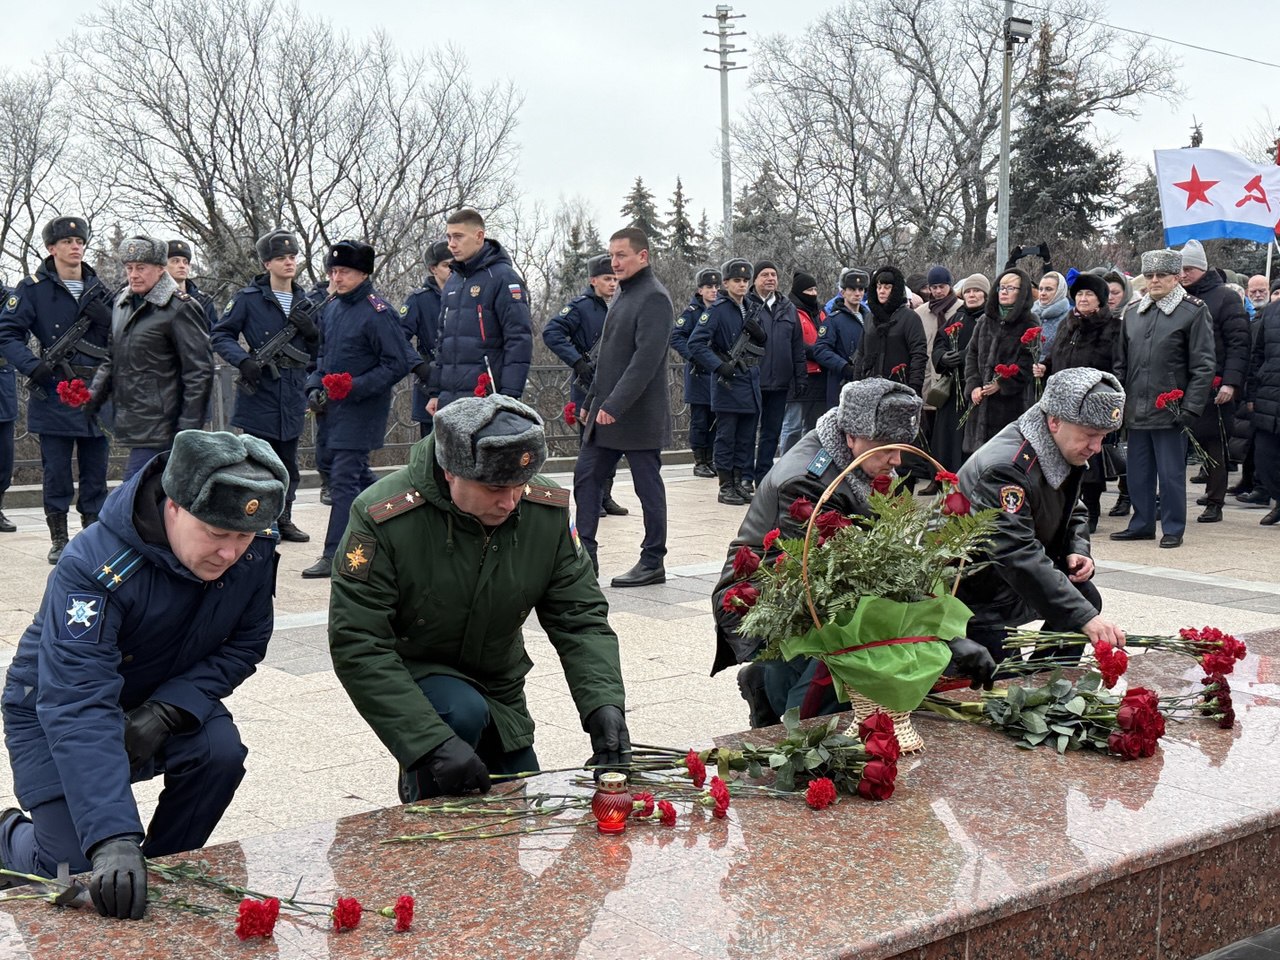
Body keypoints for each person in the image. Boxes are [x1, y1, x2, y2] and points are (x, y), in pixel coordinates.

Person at [0, 430, 288, 919]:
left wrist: (170, 708)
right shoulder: (93, 565)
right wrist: (112, 836)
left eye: (243, 537)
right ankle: (10, 837)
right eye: (217, 534)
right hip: (54, 708)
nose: (230, 553)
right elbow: (76, 699)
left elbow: (245, 643)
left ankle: (152, 869)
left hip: (159, 694)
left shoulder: (254, 549)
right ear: (173, 506)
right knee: (69, 867)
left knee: (218, 753)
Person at [327, 394, 630, 801]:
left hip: (498, 685)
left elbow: (580, 616)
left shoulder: (544, 509)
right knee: (458, 723)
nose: (509, 502)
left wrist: (603, 704)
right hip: (417, 678)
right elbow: (357, 642)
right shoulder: (383, 515)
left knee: (521, 801)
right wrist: (429, 743)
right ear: (450, 470)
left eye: (520, 485)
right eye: (493, 488)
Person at [710, 378, 995, 727]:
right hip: (759, 596)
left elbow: (873, 559)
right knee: (852, 657)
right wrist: (945, 638)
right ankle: (801, 734)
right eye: (886, 447)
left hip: (812, 587)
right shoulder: (806, 483)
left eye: (903, 446)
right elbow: (839, 585)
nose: (897, 459)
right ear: (850, 436)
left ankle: (769, 684)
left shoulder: (855, 459)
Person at [958, 368, 1127, 663]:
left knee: (1084, 597)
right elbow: (1014, 553)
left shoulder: (1056, 446)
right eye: (1090, 435)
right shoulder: (1006, 469)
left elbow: (1073, 507)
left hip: (1005, 584)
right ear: (1055, 421)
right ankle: (1037, 682)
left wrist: (1078, 549)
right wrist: (1083, 618)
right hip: (975, 598)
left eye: (1103, 437)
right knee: (1003, 687)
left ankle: (1049, 678)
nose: (1096, 448)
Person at [0, 216, 113, 561]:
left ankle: (93, 536)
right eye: (66, 242)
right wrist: (33, 366)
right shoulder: (32, 289)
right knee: (57, 472)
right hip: (54, 391)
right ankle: (60, 538)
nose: (75, 246)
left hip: (97, 391)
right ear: (52, 248)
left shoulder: (102, 291)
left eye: (79, 241)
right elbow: (7, 333)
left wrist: (110, 319)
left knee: (96, 473)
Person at [301, 240, 411, 578]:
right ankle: (402, 525)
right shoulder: (331, 308)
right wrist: (314, 386)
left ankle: (336, 553)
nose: (337, 277)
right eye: (333, 271)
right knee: (355, 476)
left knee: (344, 479)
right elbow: (322, 356)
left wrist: (355, 386)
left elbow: (399, 362)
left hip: (363, 409)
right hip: (332, 409)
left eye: (344, 271)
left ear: (363, 273)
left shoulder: (378, 312)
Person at [573, 228, 673, 587]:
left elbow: (646, 360)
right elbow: (608, 358)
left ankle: (652, 560)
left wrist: (615, 404)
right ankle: (584, 557)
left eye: (622, 255)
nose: (614, 263)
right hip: (605, 414)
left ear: (642, 256)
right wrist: (590, 402)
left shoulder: (654, 298)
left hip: (637, 415)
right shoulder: (622, 294)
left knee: (648, 488)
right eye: (612, 255)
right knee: (585, 478)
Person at [211, 229, 323, 543]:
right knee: (258, 462)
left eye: (292, 257)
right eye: (280, 258)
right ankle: (258, 520)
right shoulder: (248, 299)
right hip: (260, 389)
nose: (289, 263)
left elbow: (322, 349)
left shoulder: (307, 302)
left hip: (292, 390)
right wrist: (243, 360)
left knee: (287, 462)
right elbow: (221, 335)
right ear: (266, 264)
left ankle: (283, 519)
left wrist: (312, 334)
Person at [1111, 249, 1215, 549]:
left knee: (1170, 474)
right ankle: (1142, 523)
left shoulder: (1193, 311)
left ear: (1175, 277)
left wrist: (1191, 406)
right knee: (1138, 472)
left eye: (1162, 275)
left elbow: (1204, 364)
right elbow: (1121, 363)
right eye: (1151, 275)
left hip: (1171, 409)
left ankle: (1172, 527)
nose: (1155, 281)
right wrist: (1120, 401)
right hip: (1136, 407)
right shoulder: (1132, 313)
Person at [88, 235, 214, 481]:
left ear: (160, 269)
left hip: (165, 424)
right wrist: (93, 396)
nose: (133, 274)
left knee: (132, 497)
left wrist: (187, 429)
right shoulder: (122, 303)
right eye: (129, 267)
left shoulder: (179, 307)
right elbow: (112, 358)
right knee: (151, 501)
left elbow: (199, 371)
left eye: (141, 268)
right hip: (134, 419)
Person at [542, 253, 627, 517]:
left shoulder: (621, 305)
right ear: (593, 280)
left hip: (614, 385)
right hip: (588, 385)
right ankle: (590, 499)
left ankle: (606, 496)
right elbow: (551, 332)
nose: (612, 284)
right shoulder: (580, 307)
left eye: (615, 278)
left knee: (613, 444)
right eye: (606, 279)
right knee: (590, 446)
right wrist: (577, 361)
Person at [1036, 273, 1121, 531]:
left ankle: (1091, 511)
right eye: (1080, 294)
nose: (1083, 299)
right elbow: (1057, 354)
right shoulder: (1068, 323)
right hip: (1064, 402)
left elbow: (1118, 365)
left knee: (1089, 458)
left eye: (1089, 295)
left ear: (1100, 300)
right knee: (1062, 455)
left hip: (1093, 401)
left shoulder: (1112, 327)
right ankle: (1066, 507)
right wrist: (1045, 366)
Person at [427, 208, 532, 411]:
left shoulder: (503, 277)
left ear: (479, 236)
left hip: (489, 395)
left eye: (458, 236)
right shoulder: (452, 282)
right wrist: (436, 391)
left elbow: (518, 338)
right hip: (450, 399)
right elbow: (443, 340)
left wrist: (510, 394)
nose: (451, 244)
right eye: (449, 237)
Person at [1177, 240, 1250, 524]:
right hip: (1182, 383)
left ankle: (1215, 500)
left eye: (1189, 269)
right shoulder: (1177, 297)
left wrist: (1230, 382)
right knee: (1178, 445)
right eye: (1180, 269)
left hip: (1214, 384)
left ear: (1202, 269)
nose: (1183, 274)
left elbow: (1239, 344)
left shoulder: (1225, 298)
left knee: (1214, 444)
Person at [688, 258, 766, 506]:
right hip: (728, 383)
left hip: (750, 381)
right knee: (726, 437)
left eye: (745, 281)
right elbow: (695, 344)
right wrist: (718, 365)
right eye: (736, 281)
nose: (742, 285)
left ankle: (738, 481)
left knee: (745, 438)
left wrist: (761, 336)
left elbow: (760, 345)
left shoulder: (752, 307)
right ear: (726, 283)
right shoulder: (717, 310)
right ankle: (725, 486)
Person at [963, 267, 1036, 455]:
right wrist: (974, 385)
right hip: (980, 402)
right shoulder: (985, 321)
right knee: (978, 459)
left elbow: (1028, 363)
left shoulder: (1029, 322)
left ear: (1022, 293)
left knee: (1004, 456)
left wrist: (1002, 384)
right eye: (1001, 287)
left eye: (1011, 288)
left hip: (1010, 405)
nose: (1004, 292)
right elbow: (971, 354)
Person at [747, 260, 805, 489]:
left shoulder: (787, 307)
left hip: (780, 382)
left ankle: (763, 475)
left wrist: (800, 377)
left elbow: (797, 346)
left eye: (774, 274)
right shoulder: (747, 305)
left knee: (772, 432)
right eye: (765, 275)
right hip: (753, 380)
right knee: (748, 432)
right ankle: (744, 475)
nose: (770, 278)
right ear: (755, 280)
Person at [930, 273, 987, 473]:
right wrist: (943, 358)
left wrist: (965, 356)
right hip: (953, 389)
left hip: (975, 388)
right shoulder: (958, 316)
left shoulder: (989, 319)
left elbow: (988, 348)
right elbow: (939, 342)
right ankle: (943, 477)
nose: (972, 295)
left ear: (985, 294)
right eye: (968, 291)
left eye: (977, 291)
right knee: (946, 437)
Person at [670, 267, 721, 478]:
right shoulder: (692, 313)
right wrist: (693, 356)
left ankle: (712, 459)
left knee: (716, 420)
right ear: (700, 290)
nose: (714, 291)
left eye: (717, 286)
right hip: (698, 373)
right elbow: (676, 337)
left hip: (717, 371)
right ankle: (700, 460)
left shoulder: (722, 309)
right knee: (700, 420)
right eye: (709, 287)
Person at [399, 239, 452, 438]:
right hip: (430, 384)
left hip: (464, 383)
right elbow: (398, 339)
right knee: (433, 455)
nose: (452, 270)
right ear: (433, 269)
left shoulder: (469, 295)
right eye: (447, 265)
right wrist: (420, 367)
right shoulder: (419, 300)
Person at [915, 265, 961, 491]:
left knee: (948, 434)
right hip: (927, 378)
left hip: (952, 380)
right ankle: (934, 477)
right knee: (929, 432)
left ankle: (951, 477)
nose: (937, 291)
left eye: (941, 286)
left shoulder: (961, 310)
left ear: (950, 286)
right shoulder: (921, 313)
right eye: (933, 287)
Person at [850, 266, 927, 396]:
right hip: (870, 386)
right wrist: (856, 383)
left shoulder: (910, 317)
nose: (882, 291)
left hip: (900, 387)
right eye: (879, 287)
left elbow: (918, 354)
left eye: (887, 287)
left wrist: (914, 388)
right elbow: (861, 353)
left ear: (895, 289)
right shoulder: (870, 317)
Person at [779, 271, 828, 453]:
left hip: (821, 376)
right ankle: (786, 464)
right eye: (809, 289)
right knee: (792, 427)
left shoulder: (821, 312)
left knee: (815, 428)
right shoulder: (789, 311)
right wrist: (819, 352)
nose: (813, 293)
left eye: (815, 289)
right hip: (798, 375)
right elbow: (794, 342)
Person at [812, 267, 870, 407]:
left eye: (861, 289)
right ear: (843, 292)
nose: (857, 293)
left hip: (866, 383)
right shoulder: (833, 320)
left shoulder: (870, 319)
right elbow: (820, 350)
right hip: (841, 384)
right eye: (852, 289)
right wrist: (844, 367)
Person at [1247, 296, 1280, 525]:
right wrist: (1251, 394)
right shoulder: (1271, 312)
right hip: (1269, 397)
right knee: (1265, 458)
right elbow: (1257, 356)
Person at [165, 239, 219, 330]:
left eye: (185, 262)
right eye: (175, 261)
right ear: (163, 266)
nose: (182, 266)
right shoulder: (154, 298)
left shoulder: (203, 300)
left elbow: (215, 335)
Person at [1031, 271, 1070, 348]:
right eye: (1041, 289)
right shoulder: (1030, 314)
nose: (1043, 293)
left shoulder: (1069, 319)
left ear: (1060, 291)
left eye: (1049, 289)